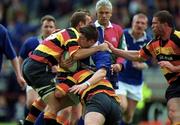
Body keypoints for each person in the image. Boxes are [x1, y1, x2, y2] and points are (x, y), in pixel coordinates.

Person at [22, 11, 109, 125]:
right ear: (80, 24)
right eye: (89, 22)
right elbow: (76, 55)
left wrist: (61, 63)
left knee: (46, 100)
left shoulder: (64, 32)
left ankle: (26, 123)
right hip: (39, 67)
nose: (91, 24)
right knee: (55, 105)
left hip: (33, 65)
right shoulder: (73, 34)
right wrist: (99, 48)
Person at [105, 10, 180, 125]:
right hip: (174, 83)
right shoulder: (154, 43)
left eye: (155, 23)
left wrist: (173, 68)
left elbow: (146, 62)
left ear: (165, 25)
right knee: (173, 112)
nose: (152, 26)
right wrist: (116, 51)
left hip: (138, 82)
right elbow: (138, 55)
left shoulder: (177, 38)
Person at [18, 15, 57, 125]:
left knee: (49, 105)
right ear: (41, 28)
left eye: (51, 27)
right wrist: (21, 76)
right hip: (34, 77)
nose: (48, 29)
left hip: (52, 78)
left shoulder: (59, 42)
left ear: (55, 28)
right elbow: (20, 58)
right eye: (46, 26)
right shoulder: (31, 42)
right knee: (31, 102)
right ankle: (27, 119)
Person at [115, 13, 152, 124]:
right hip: (120, 78)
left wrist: (142, 65)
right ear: (132, 23)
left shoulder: (148, 41)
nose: (139, 25)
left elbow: (149, 62)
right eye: (137, 22)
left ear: (146, 26)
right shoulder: (123, 34)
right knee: (122, 106)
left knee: (128, 116)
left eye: (142, 23)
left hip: (136, 81)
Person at [94, 0, 127, 89]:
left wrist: (119, 64)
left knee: (113, 100)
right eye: (101, 13)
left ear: (111, 13)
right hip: (92, 71)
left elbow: (123, 50)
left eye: (106, 12)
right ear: (96, 14)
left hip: (112, 72)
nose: (104, 15)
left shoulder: (118, 29)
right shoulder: (90, 29)